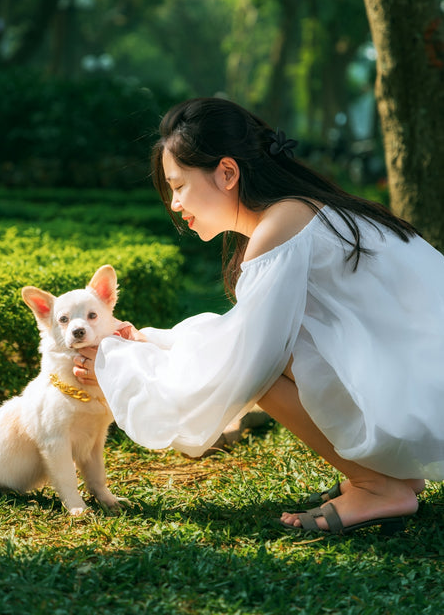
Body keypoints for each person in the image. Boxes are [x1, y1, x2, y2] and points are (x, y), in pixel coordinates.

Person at [73, 97, 444, 535]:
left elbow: (247, 361)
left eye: (178, 186)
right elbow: (241, 336)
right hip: (422, 376)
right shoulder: (298, 210)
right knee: (278, 350)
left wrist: (118, 365)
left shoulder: (281, 226)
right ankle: (391, 476)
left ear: (227, 173)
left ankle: (378, 485)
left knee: (264, 367)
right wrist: (150, 342)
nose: (174, 204)